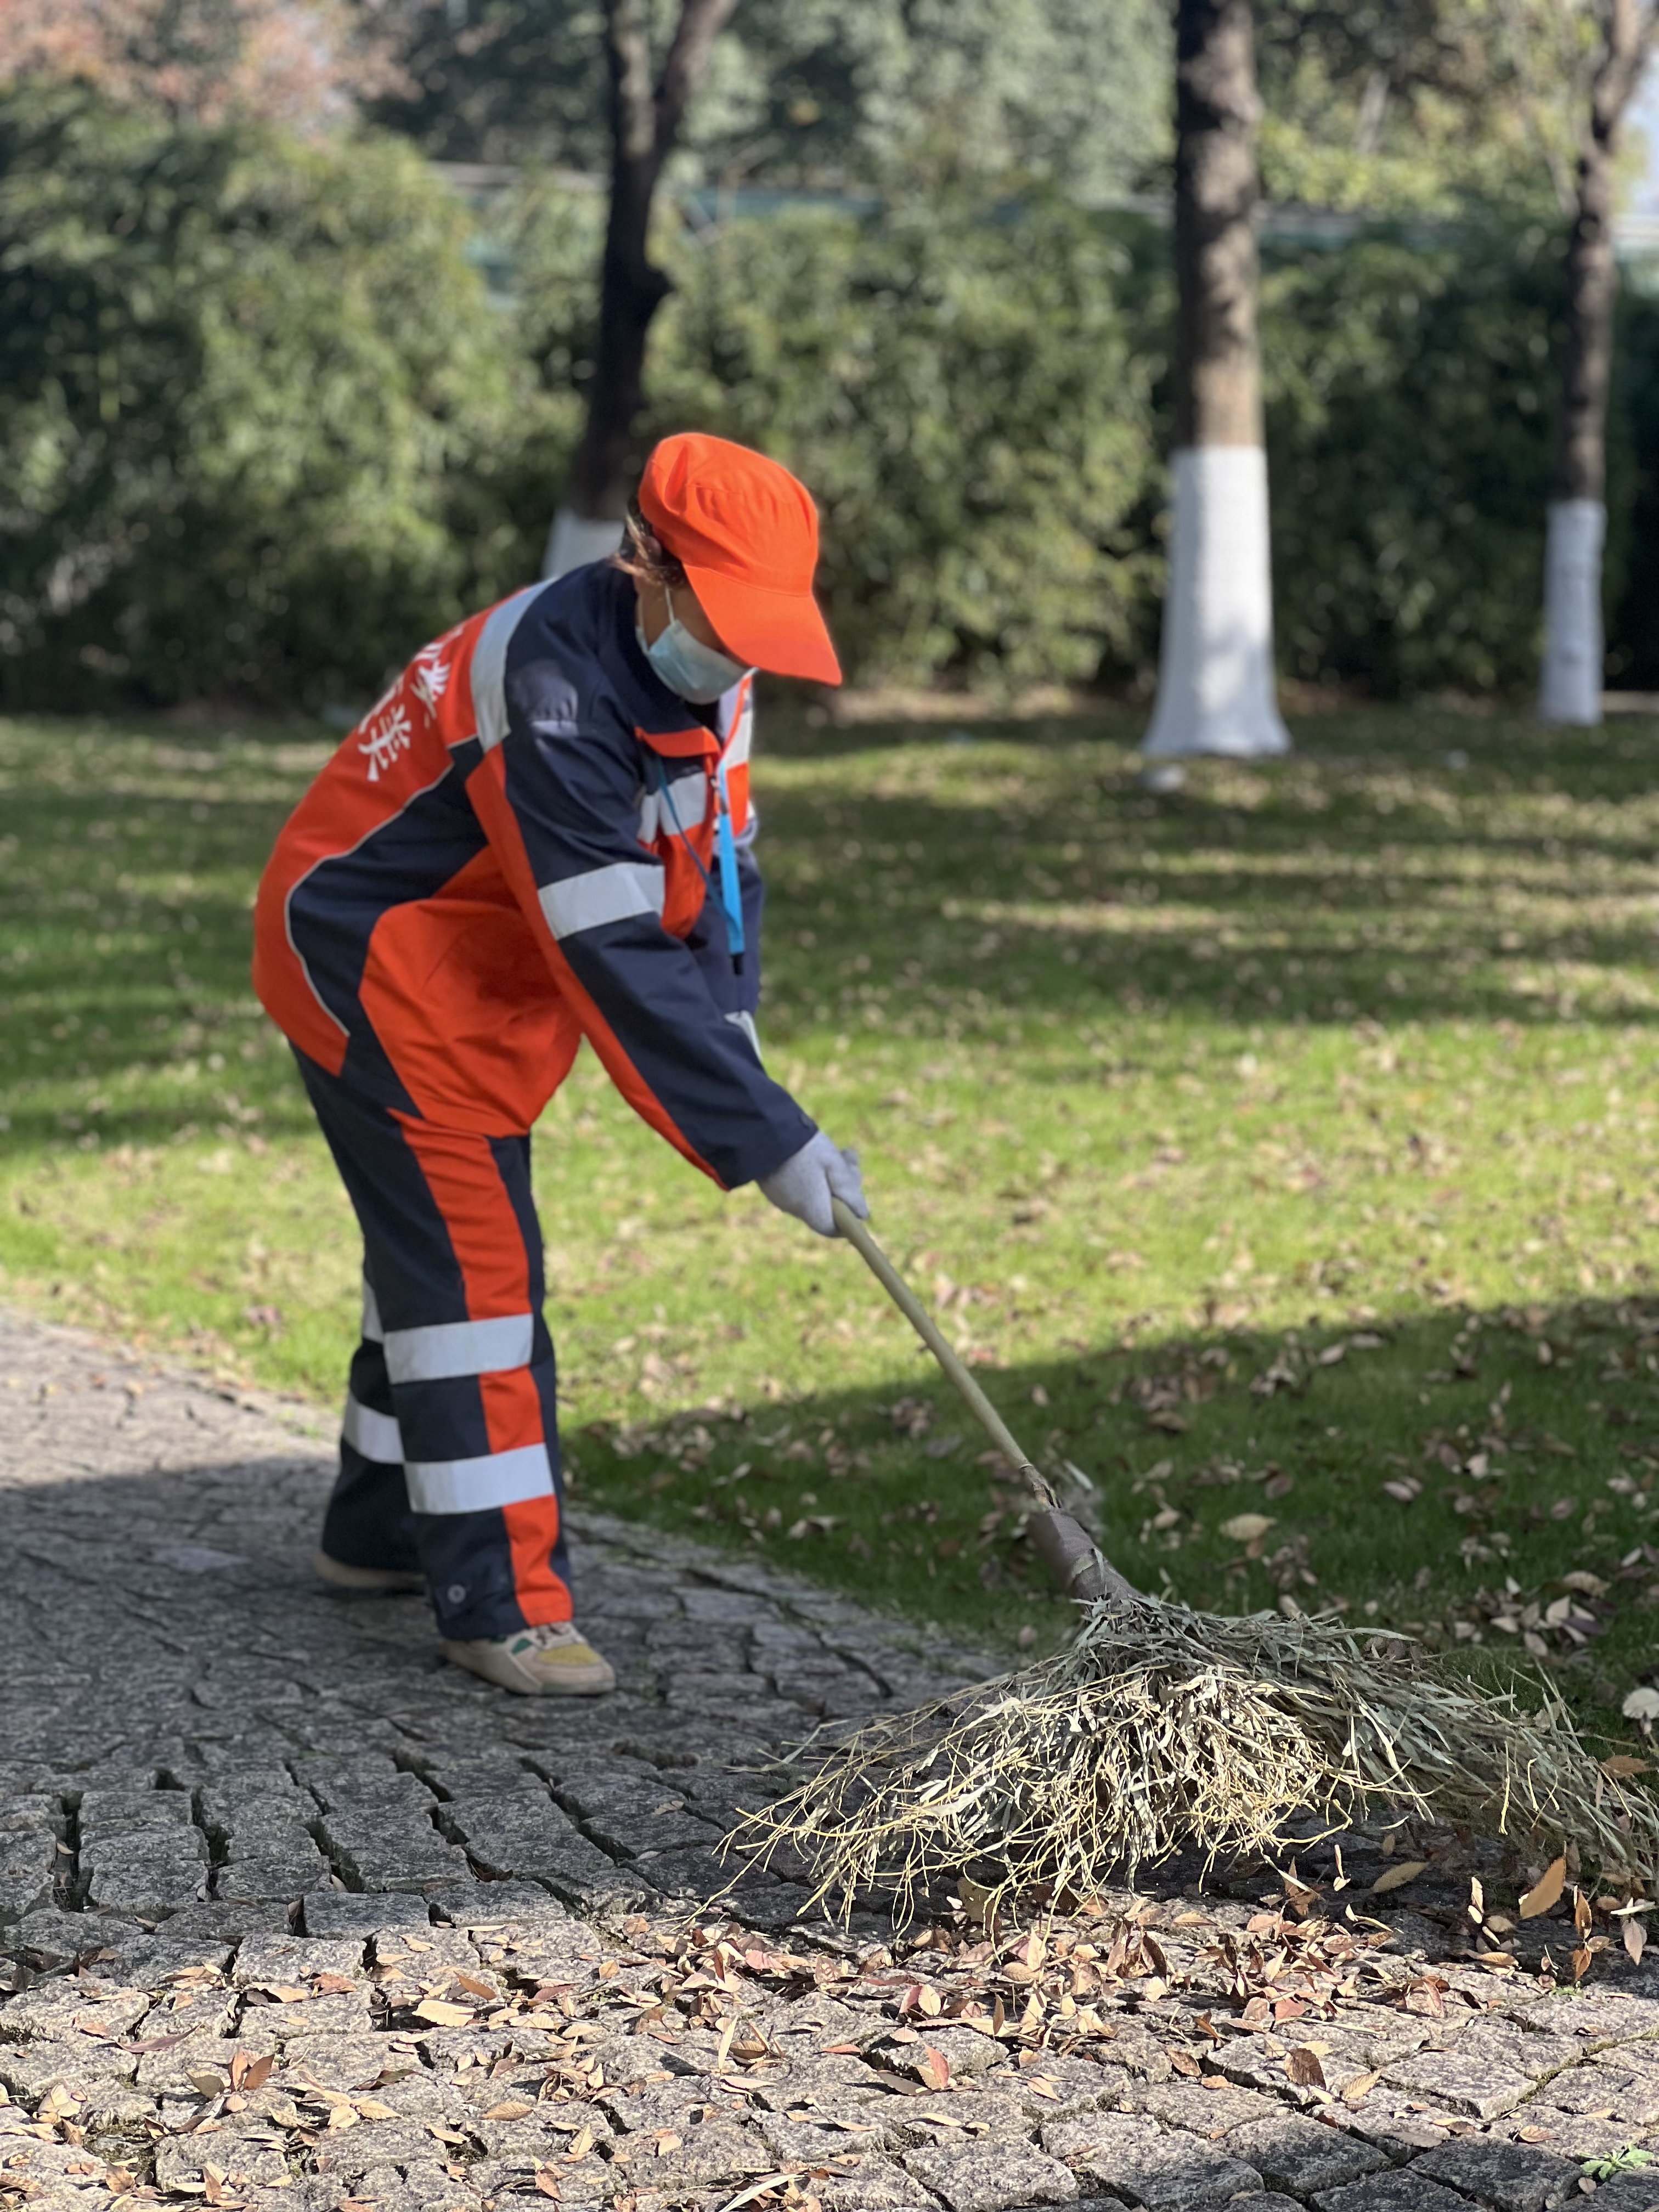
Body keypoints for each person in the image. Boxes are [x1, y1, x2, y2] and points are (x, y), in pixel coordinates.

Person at [252, 432, 867, 1697]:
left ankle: (375, 1535)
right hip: (384, 973)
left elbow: (720, 861)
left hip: (485, 974)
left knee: (428, 1262)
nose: (742, 653)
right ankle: (502, 1602)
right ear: (646, 561)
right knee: (477, 1280)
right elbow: (612, 954)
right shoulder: (550, 688)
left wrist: (737, 1018)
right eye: (726, 615)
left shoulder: (712, 667)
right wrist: (767, 1138)